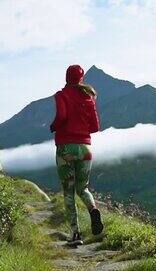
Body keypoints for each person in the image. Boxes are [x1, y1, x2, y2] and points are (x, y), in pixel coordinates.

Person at [50, 64, 103, 245]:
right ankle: (93, 209)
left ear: (66, 77)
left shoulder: (61, 95)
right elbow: (95, 127)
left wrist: (54, 127)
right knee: (83, 188)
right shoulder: (88, 97)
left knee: (69, 192)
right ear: (81, 78)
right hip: (85, 148)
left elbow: (62, 116)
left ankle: (75, 235)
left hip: (66, 148)